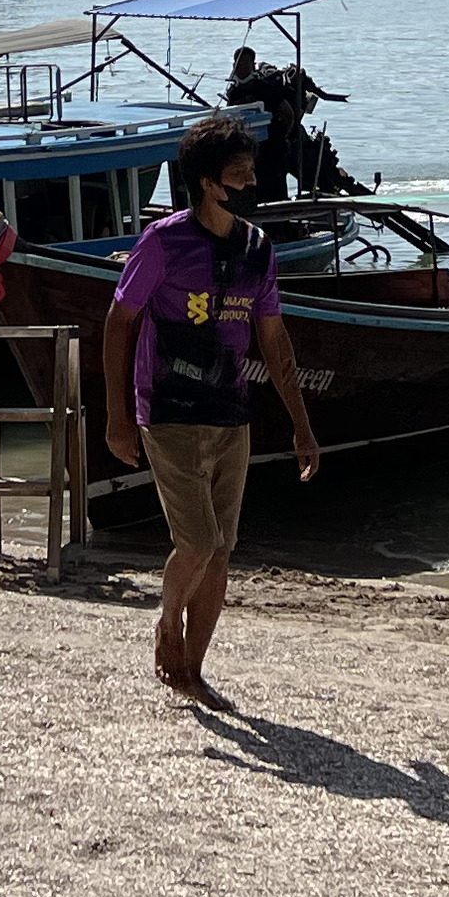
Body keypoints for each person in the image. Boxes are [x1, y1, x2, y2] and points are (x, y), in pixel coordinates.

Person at [101, 120, 320, 708]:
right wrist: (117, 416)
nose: (252, 180)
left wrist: (301, 423)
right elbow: (120, 322)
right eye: (239, 173)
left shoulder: (257, 248)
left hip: (231, 414)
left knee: (221, 549)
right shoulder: (164, 242)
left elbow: (273, 339)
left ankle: (192, 673)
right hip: (168, 411)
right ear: (206, 183)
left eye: (251, 169)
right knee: (198, 541)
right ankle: (167, 619)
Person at [231, 46, 347, 207]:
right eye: (237, 64)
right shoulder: (234, 92)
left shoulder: (264, 87)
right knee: (254, 191)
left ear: (252, 64)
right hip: (250, 151)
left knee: (276, 191)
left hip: (273, 148)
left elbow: (288, 115)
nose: (240, 68)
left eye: (244, 63)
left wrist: (280, 137)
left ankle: (282, 226)